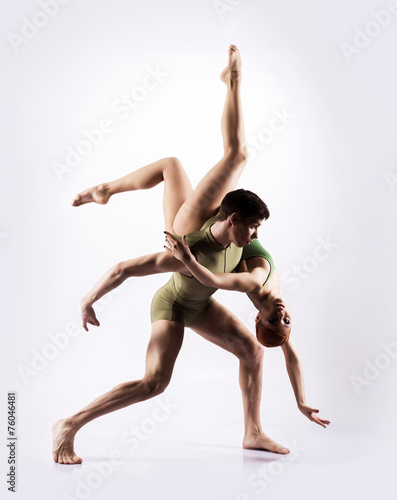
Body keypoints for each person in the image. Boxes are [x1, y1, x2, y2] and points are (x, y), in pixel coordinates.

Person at [53, 45, 329, 465]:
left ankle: (252, 432)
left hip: (195, 282)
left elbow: (283, 345)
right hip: (183, 272)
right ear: (235, 218)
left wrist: (301, 401)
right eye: (284, 318)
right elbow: (127, 268)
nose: (284, 313)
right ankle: (68, 425)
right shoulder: (242, 268)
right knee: (236, 156)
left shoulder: (255, 284)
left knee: (172, 166)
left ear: (260, 315)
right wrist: (90, 299)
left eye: (276, 318)